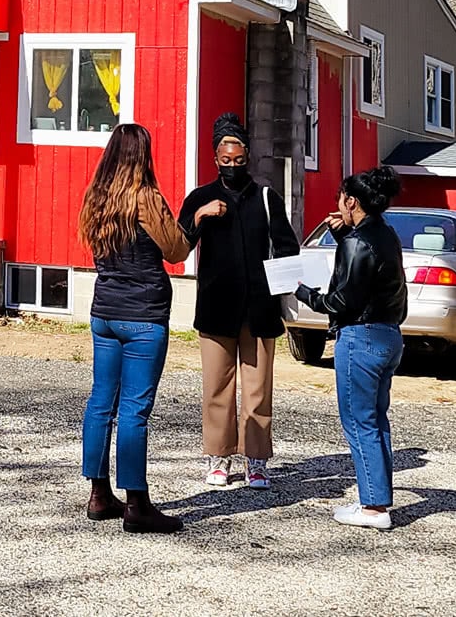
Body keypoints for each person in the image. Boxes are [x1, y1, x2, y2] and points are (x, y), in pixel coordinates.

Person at [77, 123, 191, 534]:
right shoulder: (146, 198)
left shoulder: (97, 198)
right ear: (143, 155)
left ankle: (98, 493)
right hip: (143, 315)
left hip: (104, 311)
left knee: (100, 404)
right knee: (134, 410)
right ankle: (137, 504)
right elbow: (176, 250)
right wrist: (193, 220)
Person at [178, 113, 299, 490]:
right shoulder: (200, 197)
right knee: (217, 386)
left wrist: (283, 285)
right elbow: (179, 246)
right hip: (215, 307)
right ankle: (218, 457)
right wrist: (200, 215)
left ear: (248, 156)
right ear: (215, 158)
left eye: (238, 160)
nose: (231, 166)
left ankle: (257, 459)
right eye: (224, 161)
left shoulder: (265, 197)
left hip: (259, 310)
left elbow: (287, 248)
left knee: (259, 388)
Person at [295, 166, 409, 530]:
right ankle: (377, 497)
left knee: (359, 422)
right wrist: (343, 237)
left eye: (339, 199)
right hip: (389, 334)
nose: (337, 205)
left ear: (351, 201)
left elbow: (342, 299)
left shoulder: (359, 242)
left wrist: (302, 292)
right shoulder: (385, 234)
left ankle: (373, 507)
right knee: (376, 420)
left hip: (361, 338)